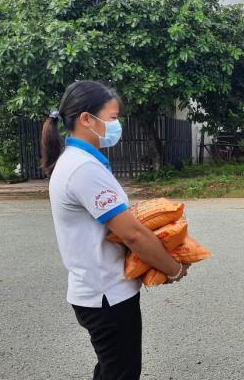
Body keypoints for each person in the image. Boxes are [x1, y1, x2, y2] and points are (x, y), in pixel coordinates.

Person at [41, 80, 190, 380]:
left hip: (98, 291)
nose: (116, 125)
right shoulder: (83, 168)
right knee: (121, 373)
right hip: (105, 295)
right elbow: (131, 234)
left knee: (111, 370)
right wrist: (172, 268)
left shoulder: (78, 162)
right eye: (111, 118)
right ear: (86, 119)